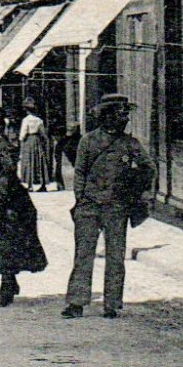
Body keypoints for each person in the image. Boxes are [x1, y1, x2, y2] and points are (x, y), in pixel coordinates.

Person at [62, 94, 152, 318]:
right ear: (106, 117)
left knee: (115, 256)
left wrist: (133, 191)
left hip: (116, 207)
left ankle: (112, 304)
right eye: (119, 115)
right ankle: (76, 302)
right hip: (89, 206)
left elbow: (148, 168)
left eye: (125, 116)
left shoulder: (130, 143)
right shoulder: (88, 141)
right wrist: (81, 199)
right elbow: (80, 172)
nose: (124, 120)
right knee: (83, 254)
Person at [0, 106, 46, 307]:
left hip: (7, 203)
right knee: (9, 242)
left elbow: (7, 173)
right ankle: (11, 283)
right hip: (13, 199)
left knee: (5, 243)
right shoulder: (5, 146)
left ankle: (6, 289)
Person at [18, 100, 48, 191]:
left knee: (29, 161)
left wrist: (21, 140)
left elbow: (23, 133)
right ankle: (43, 185)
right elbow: (43, 133)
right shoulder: (39, 120)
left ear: (27, 110)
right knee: (39, 161)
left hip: (28, 140)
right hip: (37, 140)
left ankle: (30, 185)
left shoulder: (26, 120)